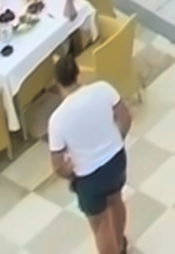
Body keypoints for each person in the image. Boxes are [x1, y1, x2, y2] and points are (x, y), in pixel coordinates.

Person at [48, 50, 133, 254]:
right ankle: (120, 246)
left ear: (58, 83)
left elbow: (58, 165)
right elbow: (125, 118)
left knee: (100, 224)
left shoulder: (57, 120)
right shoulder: (103, 89)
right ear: (79, 73)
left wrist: (69, 173)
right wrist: (116, 140)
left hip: (89, 176)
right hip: (116, 160)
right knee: (116, 200)